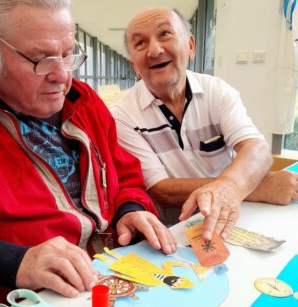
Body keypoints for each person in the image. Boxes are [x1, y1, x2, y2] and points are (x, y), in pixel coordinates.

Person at [0, 1, 177, 305]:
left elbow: (125, 175)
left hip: (113, 276)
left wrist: (129, 210)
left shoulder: (85, 102)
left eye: (68, 55)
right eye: (41, 59)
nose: (62, 76)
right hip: (23, 295)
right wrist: (13, 261)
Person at [111, 7, 298, 241]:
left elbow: (256, 148)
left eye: (165, 34)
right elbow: (160, 190)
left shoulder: (216, 91)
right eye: (140, 43)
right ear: (134, 66)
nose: (155, 50)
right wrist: (255, 188)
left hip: (236, 219)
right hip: (173, 235)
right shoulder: (122, 116)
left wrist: (230, 188)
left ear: (190, 46)